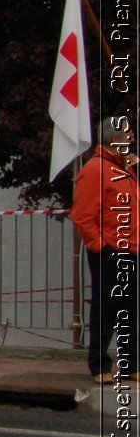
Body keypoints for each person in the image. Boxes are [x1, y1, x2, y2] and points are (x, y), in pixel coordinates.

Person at [71, 116, 138, 383]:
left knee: (132, 308)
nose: (132, 140)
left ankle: (132, 362)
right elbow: (83, 215)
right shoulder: (96, 169)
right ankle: (100, 365)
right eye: (128, 135)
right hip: (111, 250)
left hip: (131, 248)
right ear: (114, 139)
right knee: (107, 307)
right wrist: (100, 246)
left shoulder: (125, 169)